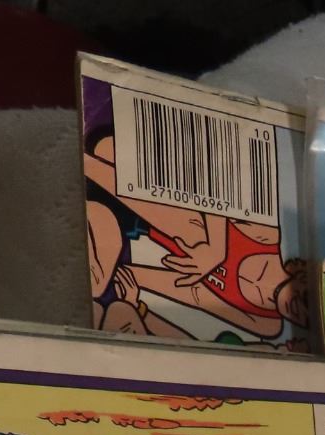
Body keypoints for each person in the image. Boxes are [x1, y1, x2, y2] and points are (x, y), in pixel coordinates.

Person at [85, 133, 308, 344]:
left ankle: (91, 169)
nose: (301, 310)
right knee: (106, 149)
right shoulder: (267, 238)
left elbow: (195, 294)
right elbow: (217, 184)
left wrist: (133, 277)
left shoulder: (268, 325)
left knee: (96, 284)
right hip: (161, 185)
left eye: (307, 319)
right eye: (307, 298)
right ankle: (89, 166)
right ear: (305, 278)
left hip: (135, 228)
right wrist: (216, 249)